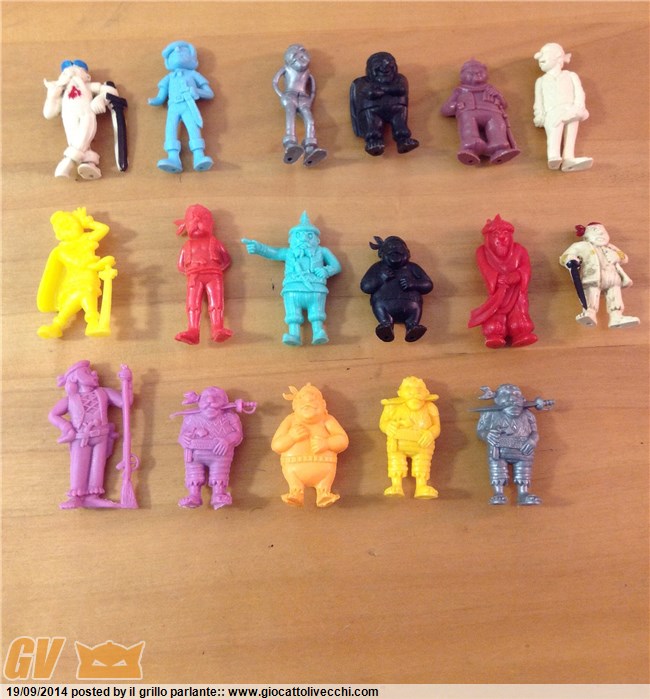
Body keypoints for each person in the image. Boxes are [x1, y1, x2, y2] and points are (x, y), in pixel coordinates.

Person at [241, 211, 341, 345]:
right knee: (293, 316)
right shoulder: (288, 253)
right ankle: (294, 334)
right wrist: (258, 248)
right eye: (299, 235)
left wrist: (325, 271)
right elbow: (273, 252)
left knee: (317, 314)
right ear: (291, 239)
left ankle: (318, 332)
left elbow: (336, 266)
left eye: (309, 235)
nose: (304, 239)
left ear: (317, 240)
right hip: (292, 289)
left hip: (315, 289)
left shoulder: (322, 251)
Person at [49, 361, 132, 509]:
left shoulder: (103, 393)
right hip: (81, 437)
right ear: (74, 378)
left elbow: (125, 403)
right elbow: (53, 415)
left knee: (97, 466)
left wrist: (128, 382)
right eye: (87, 372)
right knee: (79, 465)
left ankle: (93, 496)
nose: (94, 374)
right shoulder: (70, 399)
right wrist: (67, 427)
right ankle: (77, 496)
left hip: (101, 436)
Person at [468, 215, 537, 348]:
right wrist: (497, 278)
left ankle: (521, 333)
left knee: (519, 318)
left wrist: (517, 275)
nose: (501, 238)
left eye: (505, 233)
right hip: (498, 291)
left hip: (516, 291)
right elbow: (485, 269)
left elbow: (526, 267)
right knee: (495, 318)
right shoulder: (482, 252)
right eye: (496, 234)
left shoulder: (519, 250)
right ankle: (495, 334)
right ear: (488, 238)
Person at [559, 222, 639, 328]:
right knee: (591, 294)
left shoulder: (611, 247)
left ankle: (616, 317)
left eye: (603, 232)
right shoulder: (582, 246)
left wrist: (617, 256)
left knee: (615, 296)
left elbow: (624, 257)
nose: (601, 235)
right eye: (596, 232)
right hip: (592, 277)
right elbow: (565, 256)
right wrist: (571, 259)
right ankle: (589, 313)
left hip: (613, 277)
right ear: (586, 235)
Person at [533, 43, 592, 172]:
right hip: (552, 111)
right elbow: (539, 100)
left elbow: (579, 92)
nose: (539, 58)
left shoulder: (570, 75)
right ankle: (553, 157)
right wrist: (539, 114)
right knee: (554, 131)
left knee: (571, 134)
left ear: (558, 57)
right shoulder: (541, 81)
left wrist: (578, 106)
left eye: (544, 54)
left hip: (570, 109)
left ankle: (568, 158)